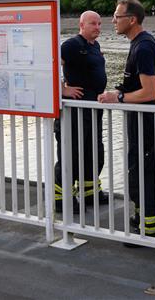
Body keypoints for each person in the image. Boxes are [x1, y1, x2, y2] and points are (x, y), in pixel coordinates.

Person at [98, 0, 155, 238]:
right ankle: (147, 222)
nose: (113, 21)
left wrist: (118, 99)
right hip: (141, 120)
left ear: (132, 19)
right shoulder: (140, 44)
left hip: (146, 122)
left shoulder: (144, 46)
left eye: (117, 16)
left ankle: (151, 230)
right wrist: (121, 92)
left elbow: (151, 91)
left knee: (144, 173)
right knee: (139, 172)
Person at [56, 11, 108, 211]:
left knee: (93, 151)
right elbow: (52, 65)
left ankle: (90, 193)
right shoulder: (71, 45)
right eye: (93, 23)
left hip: (93, 108)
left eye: (99, 23)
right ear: (81, 25)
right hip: (75, 110)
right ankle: (62, 200)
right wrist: (62, 89)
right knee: (71, 154)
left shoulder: (95, 46)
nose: (97, 27)